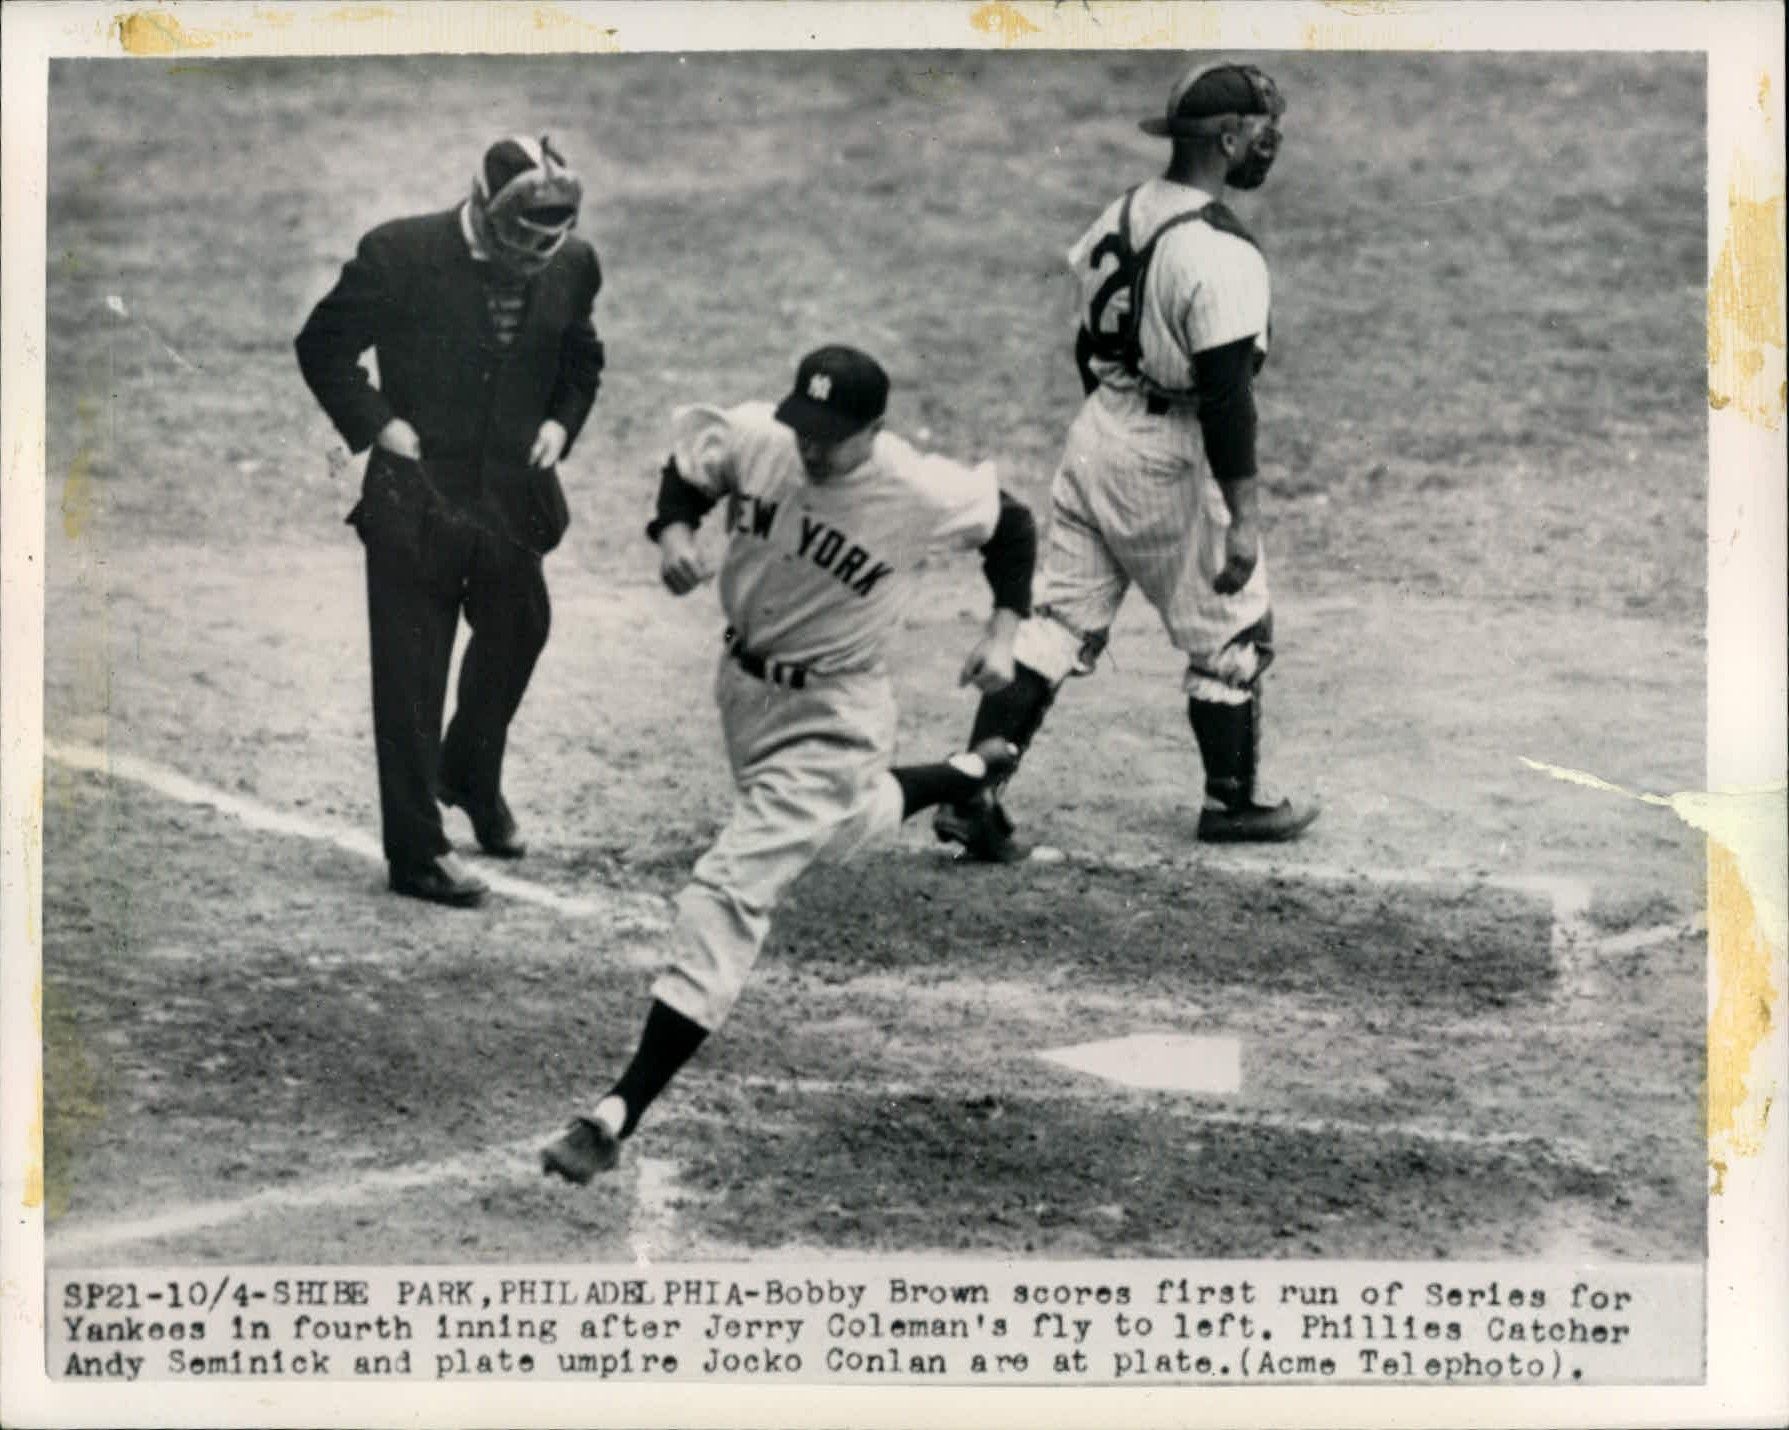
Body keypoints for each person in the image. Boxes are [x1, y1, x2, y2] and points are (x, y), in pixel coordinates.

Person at [541, 344, 1036, 1181]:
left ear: (873, 431)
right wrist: (674, 533)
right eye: (804, 427)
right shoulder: (761, 436)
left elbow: (1012, 524)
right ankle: (968, 775)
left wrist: (1003, 632)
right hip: (743, 694)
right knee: (835, 827)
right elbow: (692, 467)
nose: (811, 448)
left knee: (732, 886)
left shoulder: (916, 489)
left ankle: (614, 1112)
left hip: (836, 713)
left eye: (833, 437)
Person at [933, 60, 1319, 863]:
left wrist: (1110, 420)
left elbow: (1086, 343)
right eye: (1258, 133)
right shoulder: (1219, 252)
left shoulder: (1122, 212)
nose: (1267, 146)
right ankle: (1233, 802)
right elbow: (1224, 396)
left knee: (1058, 622)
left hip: (1096, 433)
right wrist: (1241, 517)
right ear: (1226, 137)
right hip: (1168, 454)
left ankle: (974, 788)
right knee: (1235, 629)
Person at [296, 134, 605, 906]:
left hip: (508, 501)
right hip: (417, 502)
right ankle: (417, 855)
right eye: (521, 239)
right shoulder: (400, 253)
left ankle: (467, 772)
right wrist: (378, 426)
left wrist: (561, 426)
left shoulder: (573, 264)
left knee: (520, 626)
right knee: (410, 677)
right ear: (482, 210)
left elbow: (580, 358)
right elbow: (323, 346)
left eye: (550, 239)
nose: (536, 255)